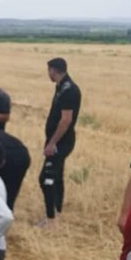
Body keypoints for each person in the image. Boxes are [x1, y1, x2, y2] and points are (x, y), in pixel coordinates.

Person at [38, 57, 81, 228]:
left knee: (46, 178)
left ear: (53, 70)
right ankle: (58, 211)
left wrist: (52, 143)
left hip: (61, 142)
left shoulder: (69, 90)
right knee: (57, 176)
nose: (48, 73)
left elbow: (66, 120)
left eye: (49, 70)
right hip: (58, 140)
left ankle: (51, 219)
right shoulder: (61, 87)